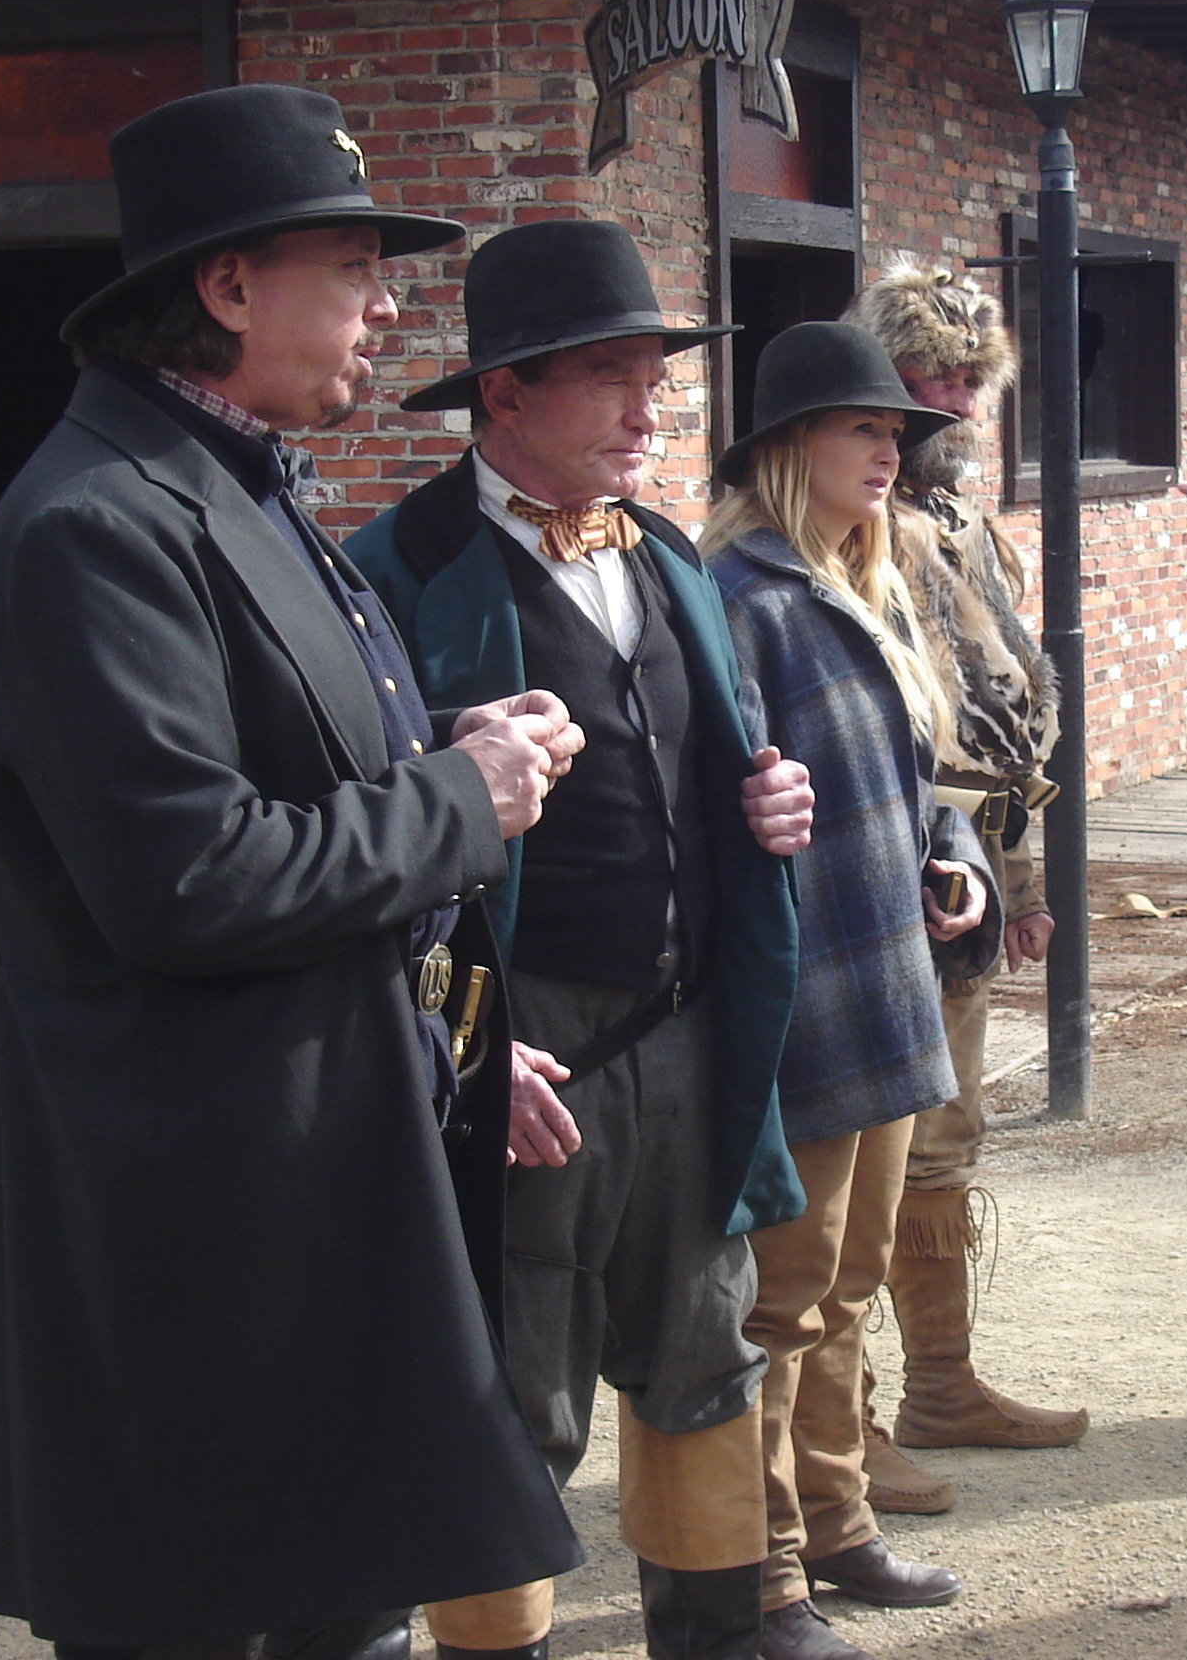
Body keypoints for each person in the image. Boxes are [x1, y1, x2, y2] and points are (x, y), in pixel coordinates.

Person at [0, 85, 587, 1660]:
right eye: (353, 265)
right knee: (209, 1605)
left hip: (311, 1154)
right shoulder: (95, 524)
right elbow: (191, 876)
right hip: (202, 1215)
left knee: (344, 1595)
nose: (389, 303)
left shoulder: (237, 483)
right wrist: (463, 797)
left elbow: (303, 777)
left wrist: (444, 762)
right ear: (226, 287)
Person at [346, 218, 816, 1660]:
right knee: (511, 1368)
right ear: (503, 394)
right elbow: (354, 832)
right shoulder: (391, 569)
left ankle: (722, 1627)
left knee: (701, 1334)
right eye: (608, 377)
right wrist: (460, 1042)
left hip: (683, 1023)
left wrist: (767, 799)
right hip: (521, 1037)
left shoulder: (673, 555)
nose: (647, 407)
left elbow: (697, 753)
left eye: (654, 376)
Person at [701, 322, 1000, 1660]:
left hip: (891, 985)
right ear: (786, 450)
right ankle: (764, 1569)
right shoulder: (741, 598)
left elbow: (915, 774)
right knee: (784, 1296)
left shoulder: (861, 580)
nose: (891, 448)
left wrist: (955, 857)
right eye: (860, 428)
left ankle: (837, 1521)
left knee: (853, 1278)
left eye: (899, 432)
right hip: (801, 1002)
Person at [839, 261, 1084, 1517]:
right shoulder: (848, 527)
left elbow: (1011, 720)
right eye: (930, 379)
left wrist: (1027, 881)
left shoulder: (968, 528)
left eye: (968, 382)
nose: (954, 406)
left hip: (973, 870)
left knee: (944, 1143)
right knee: (866, 1153)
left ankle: (942, 1383)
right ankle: (848, 1424)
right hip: (885, 871)